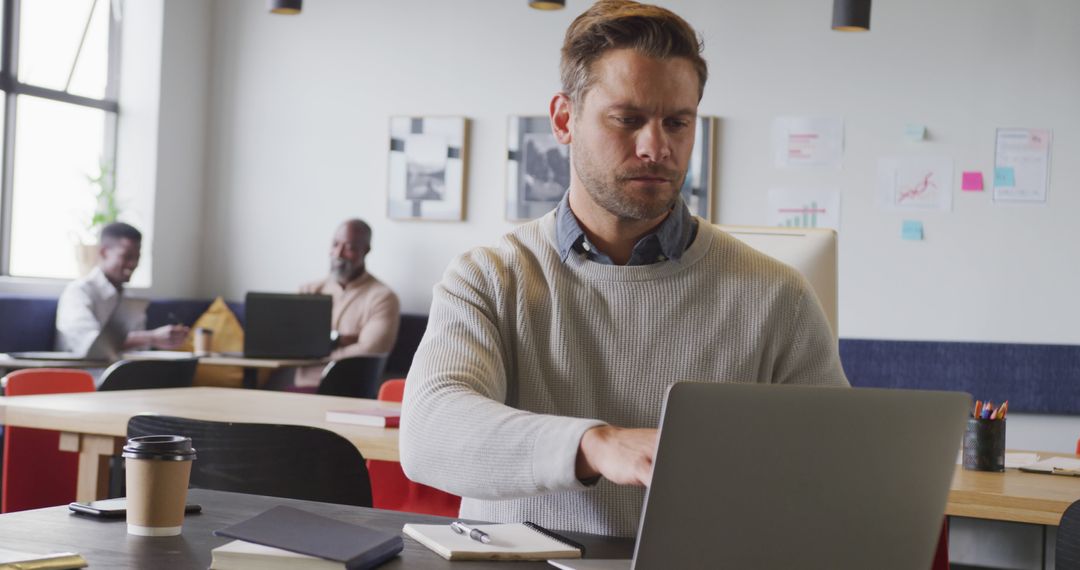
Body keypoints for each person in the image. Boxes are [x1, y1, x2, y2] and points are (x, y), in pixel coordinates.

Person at [399, 0, 849, 537]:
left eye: (677, 123)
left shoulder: (778, 294)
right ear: (565, 120)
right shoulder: (489, 277)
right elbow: (429, 433)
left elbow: (833, 470)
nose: (655, 147)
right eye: (628, 120)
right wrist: (595, 444)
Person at [292, 219, 401, 389]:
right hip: (302, 388)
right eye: (335, 244)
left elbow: (370, 350)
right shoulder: (309, 290)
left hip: (351, 392)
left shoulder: (383, 297)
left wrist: (319, 351)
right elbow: (290, 344)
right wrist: (340, 340)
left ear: (365, 250)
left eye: (349, 247)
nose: (338, 253)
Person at [55, 222, 189, 355]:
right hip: (82, 373)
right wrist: (152, 337)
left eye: (137, 257)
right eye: (127, 256)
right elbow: (90, 344)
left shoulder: (129, 299)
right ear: (103, 252)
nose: (133, 264)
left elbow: (138, 351)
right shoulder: (78, 292)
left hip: (122, 372)